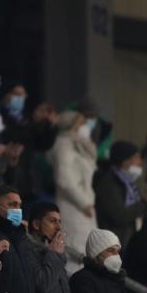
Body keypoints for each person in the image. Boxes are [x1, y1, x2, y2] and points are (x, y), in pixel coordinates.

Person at [48, 110, 98, 271]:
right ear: (73, 125)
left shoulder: (78, 144)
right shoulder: (64, 145)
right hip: (73, 207)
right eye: (81, 123)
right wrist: (83, 203)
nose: (85, 127)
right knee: (75, 250)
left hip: (85, 208)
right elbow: (64, 179)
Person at [94, 141, 146, 246]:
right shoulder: (109, 183)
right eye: (136, 158)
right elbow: (119, 215)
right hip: (113, 243)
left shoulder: (129, 182)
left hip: (126, 240)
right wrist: (145, 205)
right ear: (125, 161)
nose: (140, 162)